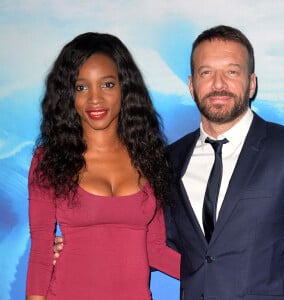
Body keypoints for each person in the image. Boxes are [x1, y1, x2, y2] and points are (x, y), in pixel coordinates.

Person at [26, 32, 180, 300]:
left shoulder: (148, 158)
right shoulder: (49, 159)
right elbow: (41, 252)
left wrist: (214, 269)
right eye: (81, 87)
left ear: (125, 88)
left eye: (107, 85)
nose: (95, 99)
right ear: (68, 95)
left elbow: (154, 249)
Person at [165, 25, 284, 299]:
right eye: (207, 73)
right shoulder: (171, 159)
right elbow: (163, 243)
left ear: (251, 83)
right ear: (192, 85)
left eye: (231, 71)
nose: (218, 84)